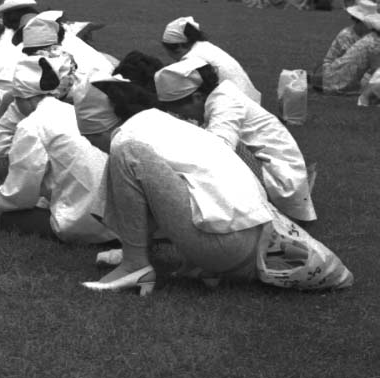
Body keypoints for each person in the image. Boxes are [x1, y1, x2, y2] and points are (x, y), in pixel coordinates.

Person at [79, 82, 351, 295]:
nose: (96, 148)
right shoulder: (161, 123)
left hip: (227, 247)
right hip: (253, 235)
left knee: (128, 154)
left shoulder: (125, 137)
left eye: (92, 141)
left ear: (100, 131)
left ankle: (135, 266)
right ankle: (162, 262)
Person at [0, 52, 114, 244]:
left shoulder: (31, 125)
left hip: (87, 221)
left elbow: (22, 188)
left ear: (22, 98)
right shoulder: (70, 111)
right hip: (118, 218)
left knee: (7, 217)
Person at [155, 58, 316, 223]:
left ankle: (252, 213)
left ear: (197, 97)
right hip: (273, 170)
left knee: (218, 149)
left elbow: (219, 151)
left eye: (180, 111)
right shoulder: (218, 97)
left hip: (281, 181)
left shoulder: (225, 103)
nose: (183, 117)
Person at [160, 16, 261, 103]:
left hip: (236, 105)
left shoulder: (192, 58)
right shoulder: (205, 47)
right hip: (249, 99)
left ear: (179, 46)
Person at [317, 0, 378, 93]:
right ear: (362, 22)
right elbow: (349, 62)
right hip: (334, 71)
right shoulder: (346, 35)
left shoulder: (366, 37)